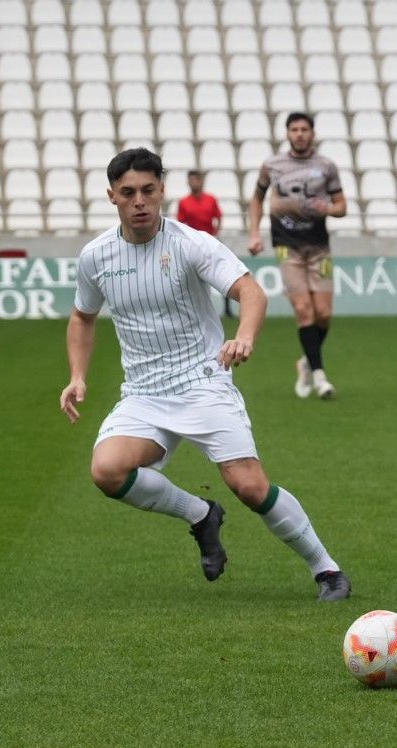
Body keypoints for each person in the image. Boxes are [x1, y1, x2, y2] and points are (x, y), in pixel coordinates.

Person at [59, 148, 351, 601]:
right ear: (112, 197)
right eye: (129, 193)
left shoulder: (190, 243)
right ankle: (200, 514)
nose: (140, 201)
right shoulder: (96, 256)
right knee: (107, 470)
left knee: (250, 487)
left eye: (149, 191)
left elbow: (250, 291)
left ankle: (326, 569)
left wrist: (245, 337)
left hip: (203, 381)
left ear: (163, 191)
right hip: (143, 393)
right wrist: (77, 376)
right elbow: (82, 317)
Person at [246, 112, 346, 400]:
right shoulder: (272, 165)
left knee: (323, 315)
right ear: (287, 133)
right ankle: (320, 376)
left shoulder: (326, 166)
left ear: (312, 134)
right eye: (294, 129)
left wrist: (327, 208)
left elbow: (342, 206)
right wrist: (254, 233)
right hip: (286, 247)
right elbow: (256, 198)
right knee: (304, 310)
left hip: (319, 248)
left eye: (304, 129)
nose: (300, 134)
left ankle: (306, 360)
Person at [175, 170, 222, 236]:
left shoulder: (211, 199)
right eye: (191, 180)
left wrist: (215, 234)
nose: (194, 182)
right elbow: (180, 223)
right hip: (192, 239)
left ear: (201, 181)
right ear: (188, 182)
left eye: (196, 179)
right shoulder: (183, 202)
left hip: (209, 238)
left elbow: (219, 217)